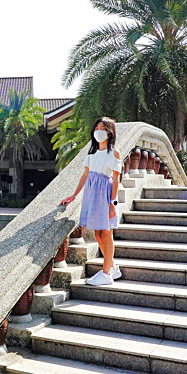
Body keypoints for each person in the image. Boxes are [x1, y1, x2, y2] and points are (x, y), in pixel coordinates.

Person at [60, 117, 123, 286]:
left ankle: (106, 273)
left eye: (102, 128)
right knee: (97, 234)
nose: (98, 131)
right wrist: (73, 195)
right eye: (96, 128)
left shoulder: (114, 153)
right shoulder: (92, 153)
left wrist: (112, 204)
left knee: (106, 233)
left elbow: (116, 180)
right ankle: (113, 266)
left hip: (105, 195)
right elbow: (85, 175)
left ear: (110, 132)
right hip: (92, 195)